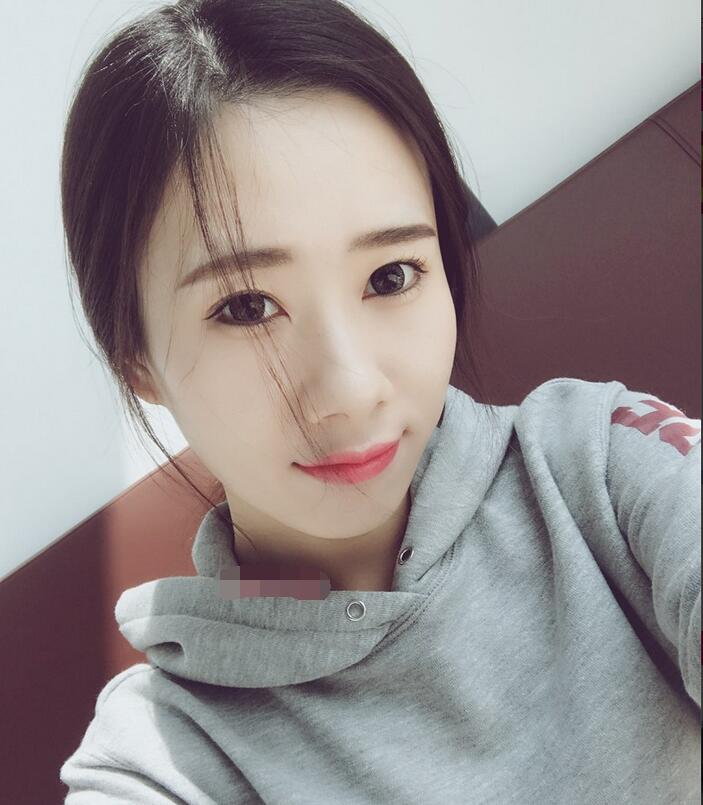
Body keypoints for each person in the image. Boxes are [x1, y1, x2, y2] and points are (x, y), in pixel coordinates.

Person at [59, 1, 701, 802]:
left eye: (390, 276)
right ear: (136, 359)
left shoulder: (600, 467)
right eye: (247, 306)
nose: (351, 388)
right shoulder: (165, 754)